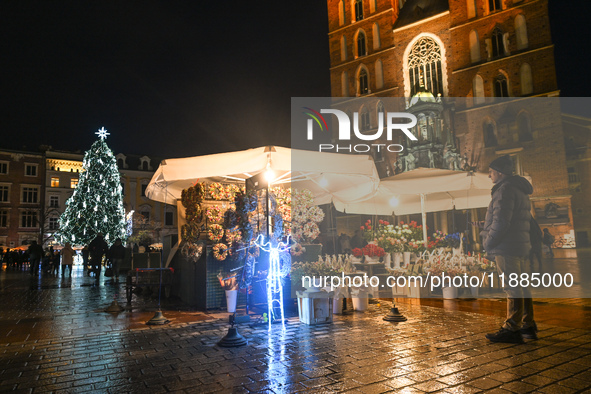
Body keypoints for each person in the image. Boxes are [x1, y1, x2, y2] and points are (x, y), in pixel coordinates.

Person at [480, 155, 537, 343]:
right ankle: (528, 325)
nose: (489, 176)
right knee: (521, 285)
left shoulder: (504, 190)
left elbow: (501, 222)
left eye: (491, 172)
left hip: (506, 246)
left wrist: (488, 242)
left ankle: (512, 328)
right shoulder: (519, 189)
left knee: (512, 287)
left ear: (499, 172)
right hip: (519, 245)